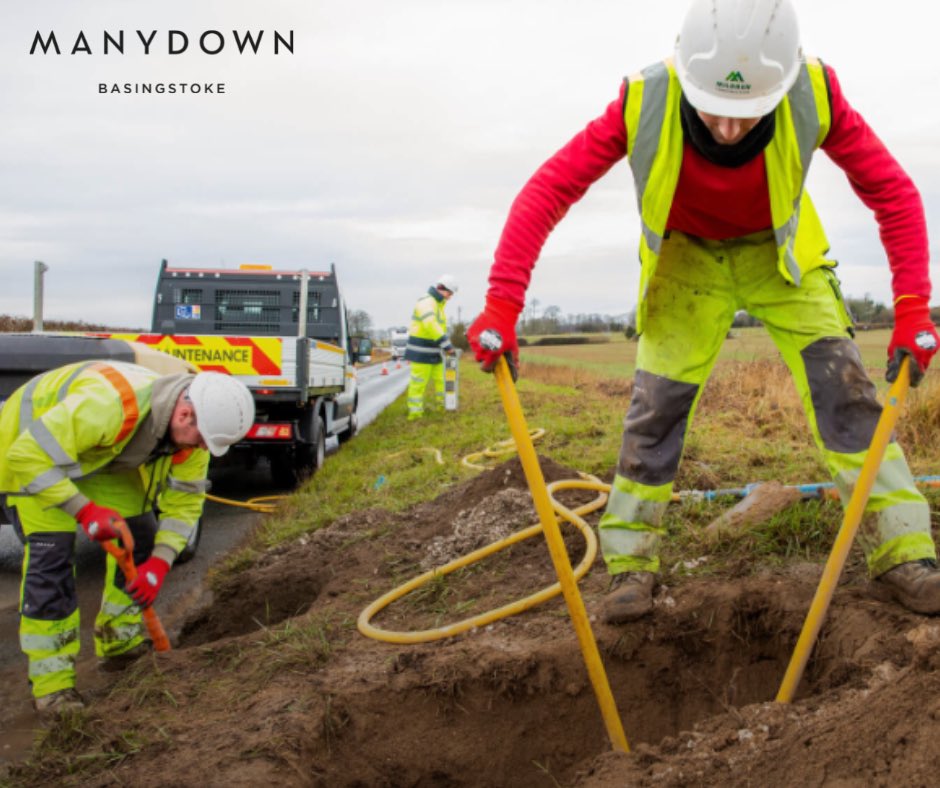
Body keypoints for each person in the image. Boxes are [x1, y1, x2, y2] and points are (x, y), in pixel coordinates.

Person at [468, 0, 940, 623]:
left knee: (847, 395)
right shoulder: (643, 100)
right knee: (655, 409)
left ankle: (906, 554)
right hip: (686, 261)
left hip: (781, 258)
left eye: (748, 112)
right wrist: (503, 303)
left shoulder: (814, 92)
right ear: (688, 77)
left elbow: (893, 192)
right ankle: (632, 564)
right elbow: (549, 189)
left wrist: (912, 307)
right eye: (714, 109)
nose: (728, 130)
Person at [0, 360, 255, 717]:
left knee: (141, 536)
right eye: (201, 440)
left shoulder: (191, 438)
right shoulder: (109, 405)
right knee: (52, 561)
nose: (201, 449)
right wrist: (84, 511)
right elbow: (27, 456)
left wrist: (159, 565)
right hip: (31, 454)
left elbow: (185, 504)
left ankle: (118, 642)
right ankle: (52, 687)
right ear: (184, 415)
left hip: (101, 454)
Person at [404, 274, 458, 420]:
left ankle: (442, 407)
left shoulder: (437, 304)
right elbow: (430, 325)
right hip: (421, 352)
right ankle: (415, 414)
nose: (449, 297)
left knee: (441, 381)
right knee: (418, 384)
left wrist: (443, 346)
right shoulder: (427, 302)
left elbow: (438, 328)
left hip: (435, 351)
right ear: (442, 289)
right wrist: (447, 345)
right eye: (449, 293)